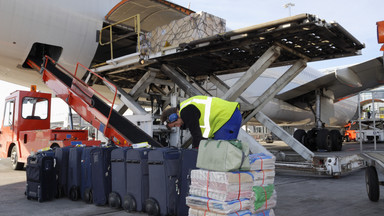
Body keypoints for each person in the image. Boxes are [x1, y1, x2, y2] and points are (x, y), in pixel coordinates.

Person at [161, 95, 242, 148]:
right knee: (218, 152)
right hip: (225, 118)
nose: (178, 126)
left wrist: (195, 149)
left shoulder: (186, 111)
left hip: (226, 117)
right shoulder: (186, 108)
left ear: (174, 116)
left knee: (222, 153)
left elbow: (196, 134)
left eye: (175, 125)